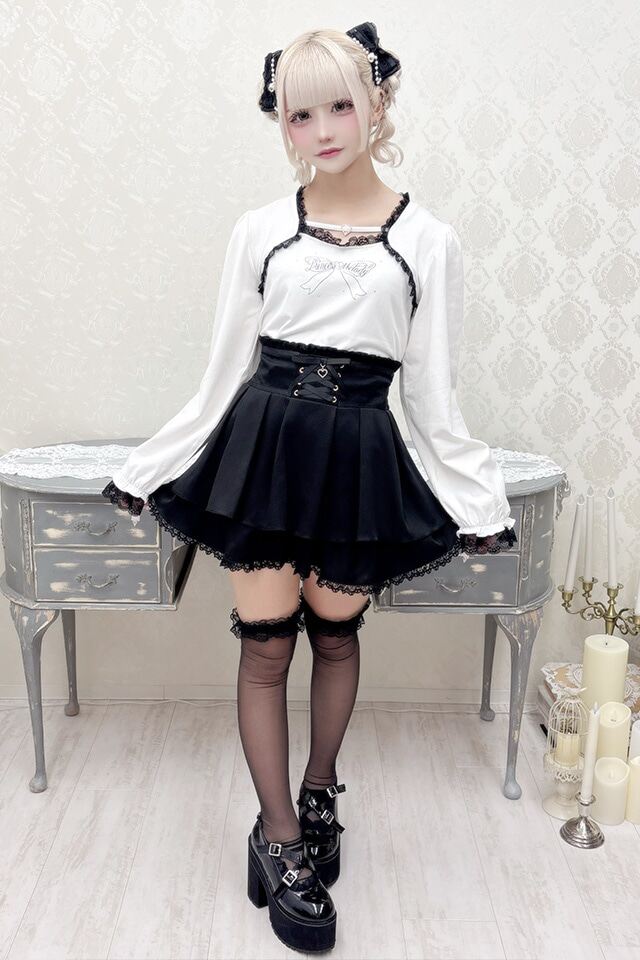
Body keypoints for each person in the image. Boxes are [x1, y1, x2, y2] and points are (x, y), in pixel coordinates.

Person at [102, 21, 517, 953]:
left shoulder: (428, 240)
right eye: (300, 114)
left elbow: (434, 392)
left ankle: (321, 791)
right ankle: (279, 837)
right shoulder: (260, 230)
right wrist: (152, 465)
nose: (323, 129)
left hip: (359, 455)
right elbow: (222, 369)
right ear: (281, 124)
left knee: (335, 636)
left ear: (377, 104)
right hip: (265, 451)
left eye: (339, 105)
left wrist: (477, 498)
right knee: (266, 647)